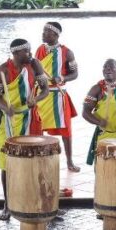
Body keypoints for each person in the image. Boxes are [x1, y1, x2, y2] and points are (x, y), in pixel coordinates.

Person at [0, 38, 50, 221]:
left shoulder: (35, 65)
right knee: (6, 162)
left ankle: (33, 200)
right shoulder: (2, 70)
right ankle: (7, 204)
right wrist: (5, 107)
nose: (30, 53)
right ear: (16, 53)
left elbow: (45, 89)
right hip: (7, 121)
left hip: (29, 119)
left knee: (32, 160)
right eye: (26, 51)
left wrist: (37, 99)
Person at [34, 22, 80, 172]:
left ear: (55, 35)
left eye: (46, 32)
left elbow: (75, 74)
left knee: (65, 130)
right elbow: (34, 70)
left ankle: (69, 161)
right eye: (43, 31)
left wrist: (61, 78)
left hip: (58, 95)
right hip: (41, 94)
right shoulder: (40, 50)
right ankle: (39, 159)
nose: (43, 34)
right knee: (38, 127)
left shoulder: (67, 52)